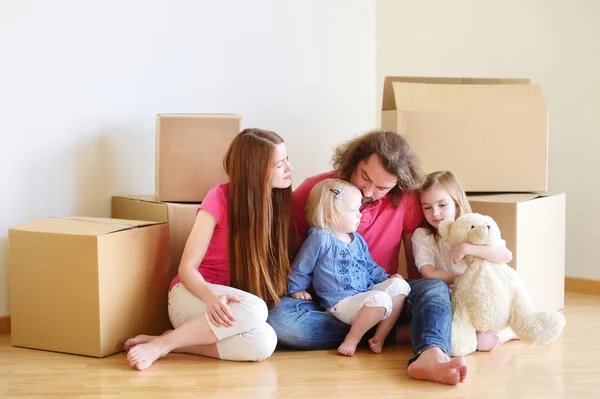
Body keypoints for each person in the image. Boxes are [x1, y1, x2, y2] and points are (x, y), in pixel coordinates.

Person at [268, 130, 469, 385]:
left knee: (433, 287)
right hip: (328, 302)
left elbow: (414, 260)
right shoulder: (319, 190)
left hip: (380, 290)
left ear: (397, 185)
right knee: (279, 320)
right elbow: (289, 249)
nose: (368, 191)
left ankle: (430, 355)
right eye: (365, 177)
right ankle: (390, 333)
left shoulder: (405, 200)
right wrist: (296, 289)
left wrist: (420, 299)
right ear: (355, 161)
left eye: (382, 187)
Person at [125, 128, 294, 370]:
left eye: (287, 159)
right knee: (256, 308)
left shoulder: (276, 202)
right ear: (255, 169)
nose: (289, 168)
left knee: (265, 341)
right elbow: (187, 268)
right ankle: (160, 347)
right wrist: (210, 296)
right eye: (279, 164)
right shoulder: (219, 198)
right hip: (193, 296)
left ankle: (170, 341)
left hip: (228, 308)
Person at [287, 179, 411, 356]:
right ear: (330, 216)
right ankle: (352, 339)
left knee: (402, 286)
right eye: (354, 211)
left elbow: (369, 266)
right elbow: (302, 265)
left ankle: (380, 336)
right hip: (342, 302)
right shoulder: (321, 238)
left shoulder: (356, 239)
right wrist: (296, 288)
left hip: (365, 293)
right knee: (380, 299)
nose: (360, 215)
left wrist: (386, 278)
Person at [413, 170, 519, 351]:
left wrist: (468, 248)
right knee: (456, 340)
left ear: (456, 202)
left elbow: (505, 255)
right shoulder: (422, 235)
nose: (435, 213)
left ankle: (511, 330)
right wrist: (463, 280)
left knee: (485, 343)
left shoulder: (475, 227)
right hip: (457, 299)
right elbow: (428, 272)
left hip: (485, 294)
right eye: (427, 207)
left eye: (442, 205)